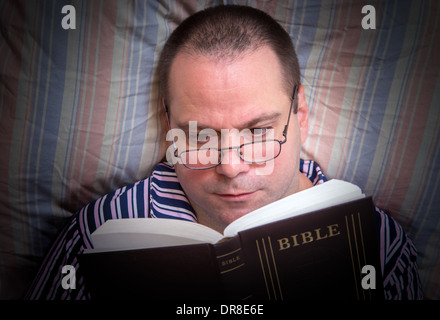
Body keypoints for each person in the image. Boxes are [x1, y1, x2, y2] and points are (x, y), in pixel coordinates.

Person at [26, 5, 423, 300]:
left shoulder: (377, 242)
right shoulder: (101, 233)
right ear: (169, 123)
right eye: (200, 136)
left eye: (258, 131)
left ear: (299, 111)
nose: (231, 167)